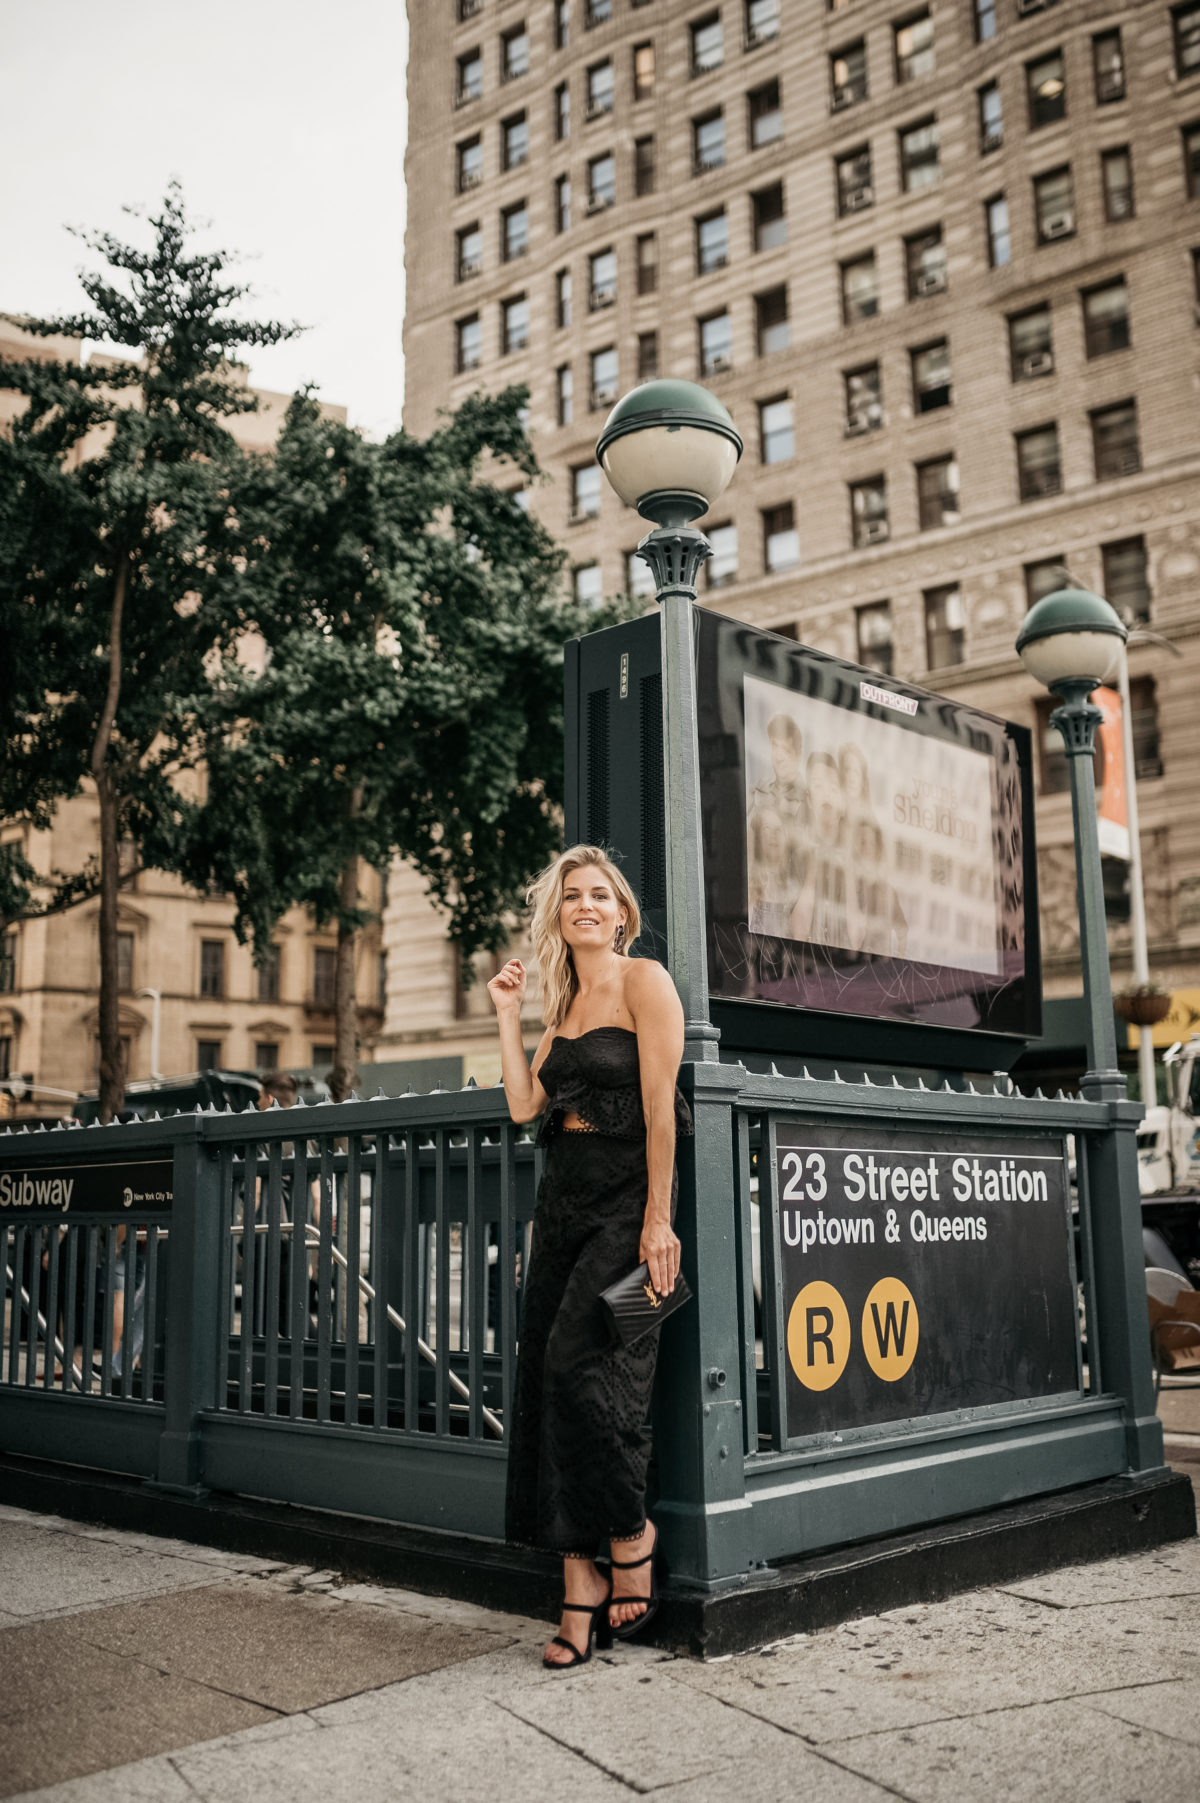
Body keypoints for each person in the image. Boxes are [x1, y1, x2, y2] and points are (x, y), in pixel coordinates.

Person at [487, 844, 692, 1669]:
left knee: (582, 1366)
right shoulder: (563, 1003)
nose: (585, 905)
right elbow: (524, 1106)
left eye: (599, 894)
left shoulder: (646, 983)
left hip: (625, 1204)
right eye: (572, 895)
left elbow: (661, 1112)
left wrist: (658, 1220)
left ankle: (632, 1533)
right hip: (561, 1204)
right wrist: (509, 1014)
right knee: (544, 1383)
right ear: (559, 915)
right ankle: (580, 1591)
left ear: (621, 912)